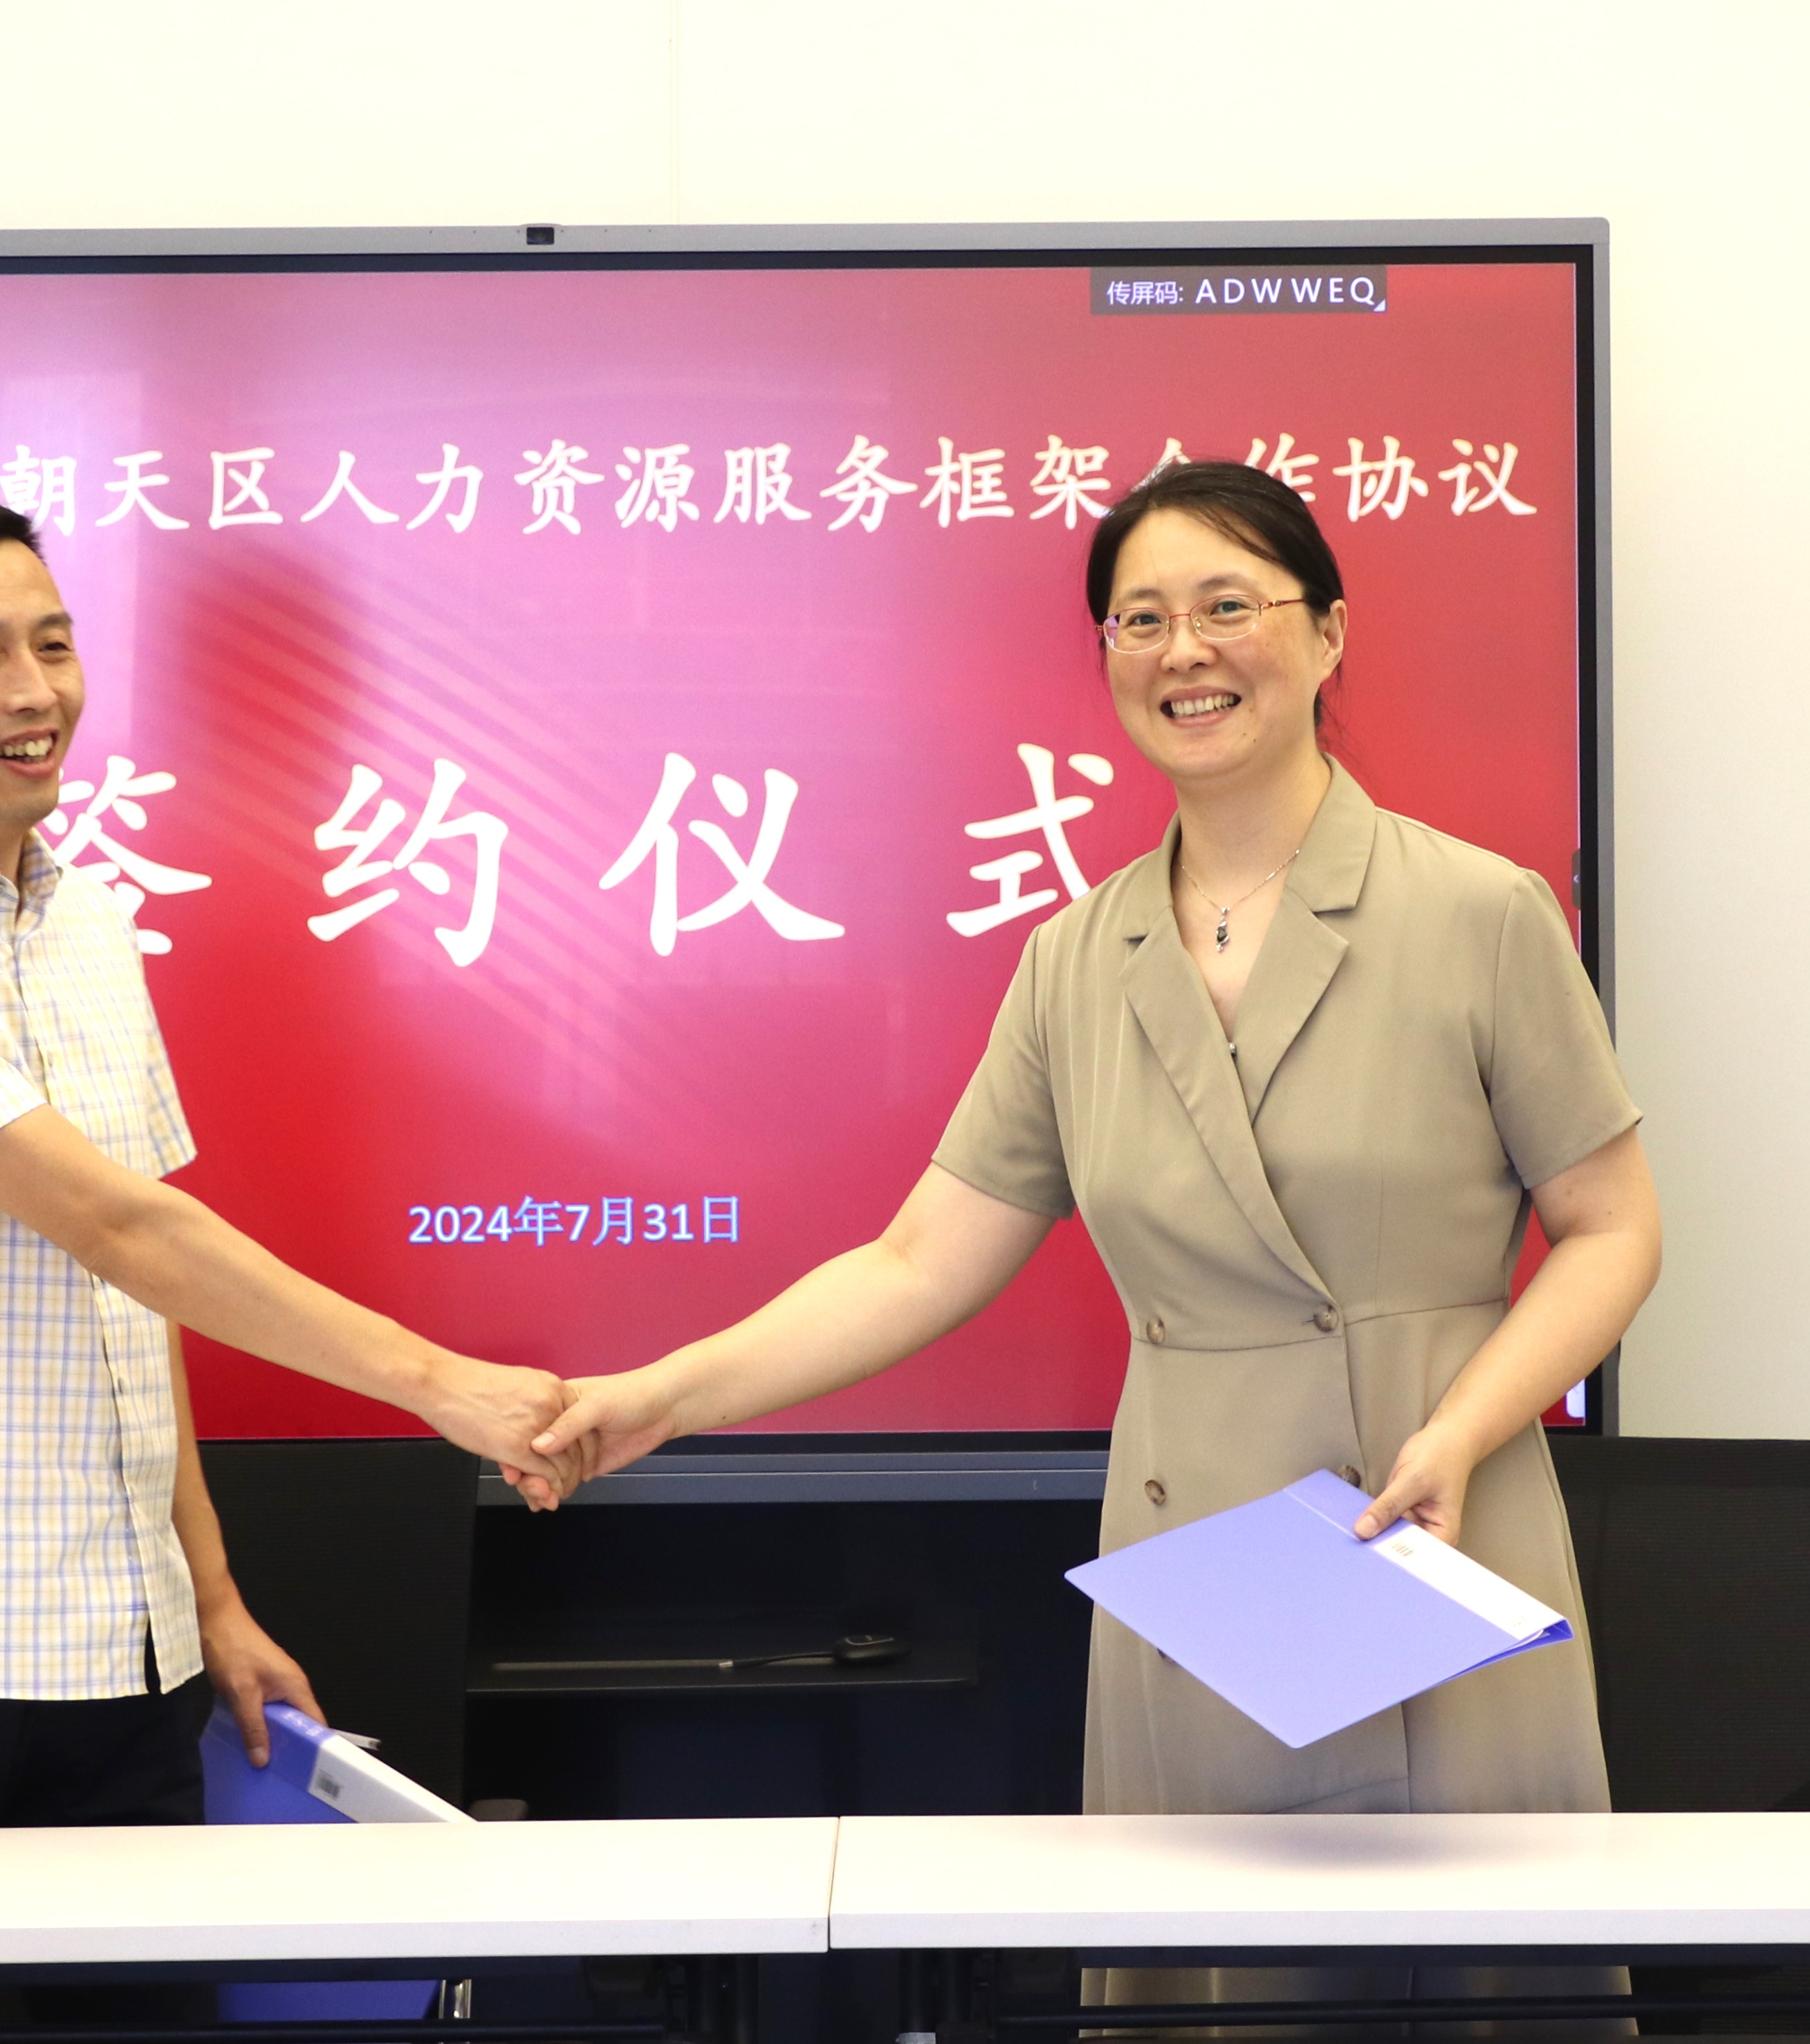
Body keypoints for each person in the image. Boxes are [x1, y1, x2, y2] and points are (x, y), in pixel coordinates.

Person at [539, 459, 1661, 1830]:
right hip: (1200, 1573)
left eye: (1228, 606)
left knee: (1451, 1953)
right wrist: (664, 1397)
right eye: (1142, 619)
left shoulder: (1478, 912)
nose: (1184, 651)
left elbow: (1614, 1229)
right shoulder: (1076, 959)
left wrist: (1465, 1431)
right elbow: (915, 1264)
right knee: (1200, 1955)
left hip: (1434, 1531)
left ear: (1328, 634)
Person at [0, 492, 577, 1857]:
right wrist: (441, 1384)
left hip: (124, 1663)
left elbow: (137, 1296)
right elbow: (116, 1224)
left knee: (144, 2015)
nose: (36, 690)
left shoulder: (89, 924)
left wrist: (211, 1599)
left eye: (53, 645)